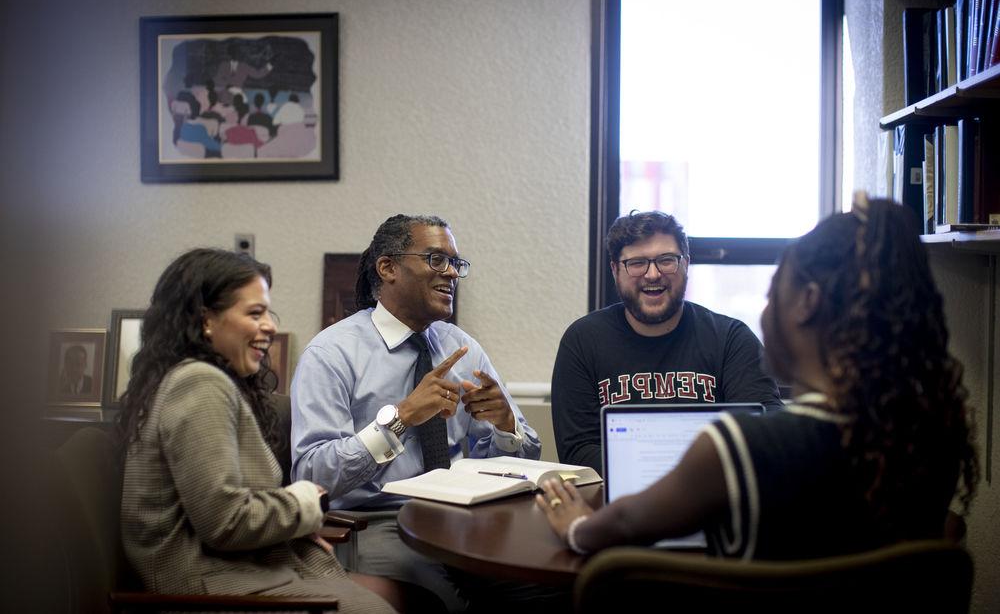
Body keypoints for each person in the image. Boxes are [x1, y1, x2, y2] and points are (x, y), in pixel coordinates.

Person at [536, 197, 979, 561]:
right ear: (616, 269)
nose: (764, 312)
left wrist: (577, 528)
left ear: (805, 304)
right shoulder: (920, 434)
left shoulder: (742, 443)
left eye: (772, 292)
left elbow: (624, 525)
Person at [116, 249, 398, 613]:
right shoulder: (199, 384)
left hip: (245, 571)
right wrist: (306, 503)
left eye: (267, 312)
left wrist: (291, 521)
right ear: (206, 321)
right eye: (254, 313)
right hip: (213, 589)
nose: (269, 326)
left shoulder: (201, 380)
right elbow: (226, 522)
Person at [292, 214, 543, 612]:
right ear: (388, 268)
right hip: (378, 523)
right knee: (444, 604)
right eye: (436, 260)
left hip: (466, 520)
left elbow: (522, 460)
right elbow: (311, 475)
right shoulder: (332, 354)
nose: (452, 274)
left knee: (546, 594)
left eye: (455, 263)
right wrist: (401, 418)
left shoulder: (461, 347)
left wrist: (505, 426)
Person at [551, 210, 783, 473]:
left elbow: (764, 432)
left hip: (713, 504)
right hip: (617, 505)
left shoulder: (731, 340)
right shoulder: (582, 341)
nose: (652, 274)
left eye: (666, 260)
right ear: (615, 270)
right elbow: (578, 450)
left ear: (686, 264)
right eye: (637, 263)